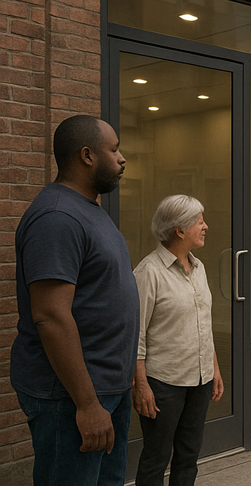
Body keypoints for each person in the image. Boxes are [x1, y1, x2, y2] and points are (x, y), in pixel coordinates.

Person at [11, 115, 139, 485]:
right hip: (70, 398)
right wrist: (86, 404)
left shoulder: (89, 210)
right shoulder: (57, 217)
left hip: (106, 390)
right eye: (113, 150)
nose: (122, 158)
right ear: (87, 155)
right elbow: (50, 316)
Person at [133, 195, 224, 486]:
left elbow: (203, 324)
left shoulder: (199, 268)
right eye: (199, 221)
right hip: (163, 383)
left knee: (188, 456)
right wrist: (141, 385)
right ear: (179, 230)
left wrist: (214, 369)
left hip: (200, 380)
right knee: (156, 458)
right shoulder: (149, 273)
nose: (205, 226)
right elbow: (136, 336)